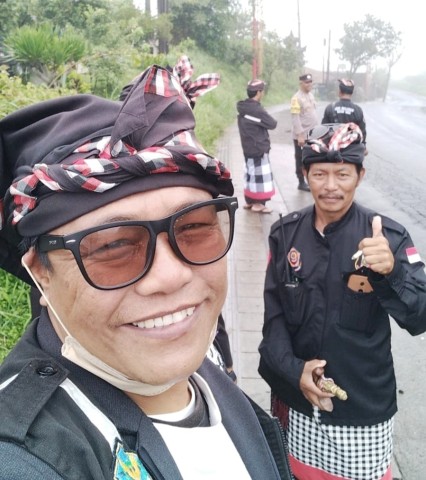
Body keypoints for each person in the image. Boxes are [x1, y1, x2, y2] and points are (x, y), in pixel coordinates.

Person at [0, 63, 293, 479]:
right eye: (114, 246)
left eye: (194, 228)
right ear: (40, 274)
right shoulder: (24, 454)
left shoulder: (202, 372)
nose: (170, 276)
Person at [258, 122, 426, 480]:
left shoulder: (388, 237)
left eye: (342, 174)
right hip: (299, 405)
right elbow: (273, 321)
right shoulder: (284, 234)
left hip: (362, 412)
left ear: (360, 175)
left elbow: (420, 316)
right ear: (305, 173)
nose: (331, 186)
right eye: (319, 173)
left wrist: (391, 271)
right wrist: (292, 371)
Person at [237, 79, 277, 214]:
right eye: (262, 91)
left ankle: (249, 201)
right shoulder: (256, 109)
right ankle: (259, 204)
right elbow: (272, 123)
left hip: (247, 147)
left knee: (250, 175)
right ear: (258, 92)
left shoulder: (243, 107)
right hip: (258, 148)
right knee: (260, 177)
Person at [322, 78, 368, 154]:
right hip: (352, 151)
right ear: (352, 93)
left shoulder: (330, 108)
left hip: (332, 150)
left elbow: (323, 131)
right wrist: (364, 147)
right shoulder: (358, 110)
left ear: (339, 91)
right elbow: (362, 132)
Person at [290, 73, 318, 192]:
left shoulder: (311, 95)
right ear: (301, 83)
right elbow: (295, 117)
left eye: (311, 82)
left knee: (311, 159)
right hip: (301, 136)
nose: (309, 84)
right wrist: (300, 135)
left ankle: (309, 180)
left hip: (312, 135)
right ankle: (301, 182)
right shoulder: (296, 98)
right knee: (300, 159)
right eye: (307, 82)